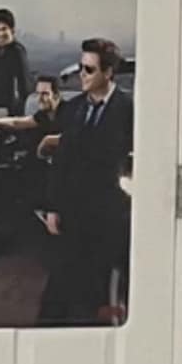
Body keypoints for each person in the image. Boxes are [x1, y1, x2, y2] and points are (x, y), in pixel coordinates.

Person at [36, 39, 136, 324]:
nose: (82, 74)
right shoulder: (74, 109)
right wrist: (53, 208)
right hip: (72, 213)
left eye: (89, 70)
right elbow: (62, 163)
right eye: (81, 68)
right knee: (57, 291)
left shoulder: (128, 109)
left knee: (100, 293)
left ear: (108, 73)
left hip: (109, 216)